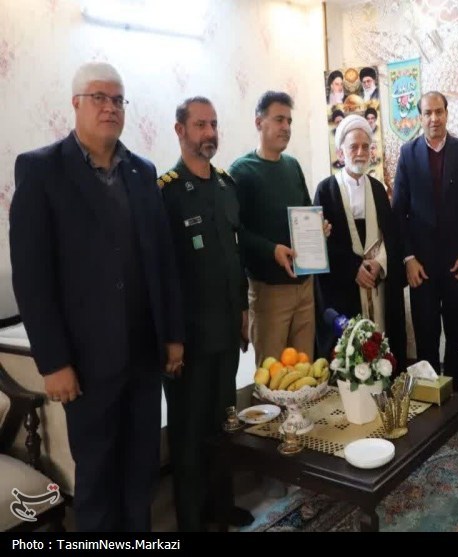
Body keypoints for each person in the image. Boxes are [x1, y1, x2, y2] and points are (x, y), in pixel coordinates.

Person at [9, 62, 184, 531]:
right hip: (85, 365)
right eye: (99, 97)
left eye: (118, 99)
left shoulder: (142, 172)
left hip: (144, 356)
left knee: (141, 475)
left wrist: (172, 336)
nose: (110, 107)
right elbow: (32, 278)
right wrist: (53, 362)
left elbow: (161, 262)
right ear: (76, 104)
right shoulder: (41, 170)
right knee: (98, 481)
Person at [159, 97, 252, 530]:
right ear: (180, 131)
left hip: (226, 330)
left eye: (213, 124)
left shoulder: (226, 185)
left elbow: (235, 258)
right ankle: (192, 521)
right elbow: (163, 273)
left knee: (223, 423)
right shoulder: (167, 192)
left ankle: (221, 506)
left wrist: (244, 312)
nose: (210, 133)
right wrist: (172, 337)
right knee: (189, 432)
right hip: (189, 339)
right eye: (200, 125)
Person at [230, 91, 329, 367]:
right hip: (269, 292)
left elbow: (306, 210)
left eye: (289, 121)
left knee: (304, 372)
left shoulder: (292, 166)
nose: (286, 127)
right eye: (279, 119)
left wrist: (319, 228)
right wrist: (271, 250)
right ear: (258, 122)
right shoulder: (241, 171)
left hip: (304, 287)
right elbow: (235, 233)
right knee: (273, 376)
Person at [392, 91, 458, 392]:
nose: (434, 118)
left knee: (456, 337)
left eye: (439, 112)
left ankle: (455, 401)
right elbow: (399, 211)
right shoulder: (408, 153)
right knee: (426, 337)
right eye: (427, 113)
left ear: (446, 114)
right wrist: (408, 258)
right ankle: (430, 401)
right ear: (420, 117)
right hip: (422, 268)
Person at [314, 115, 406, 369]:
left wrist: (380, 264)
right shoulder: (326, 190)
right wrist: (353, 268)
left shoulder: (378, 189)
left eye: (365, 146)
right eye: (353, 147)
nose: (360, 152)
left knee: (383, 350)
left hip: (377, 285)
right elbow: (322, 242)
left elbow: (390, 236)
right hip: (344, 288)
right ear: (341, 152)